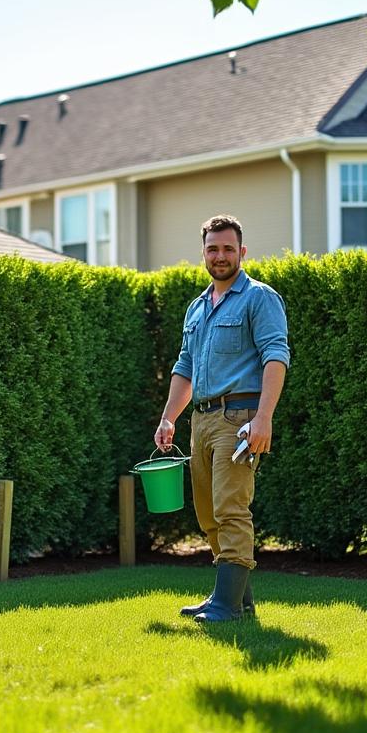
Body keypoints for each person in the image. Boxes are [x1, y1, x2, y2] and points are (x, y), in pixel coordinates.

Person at [154, 214, 289, 622]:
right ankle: (237, 601)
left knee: (231, 508)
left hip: (241, 418)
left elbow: (275, 356)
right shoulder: (196, 308)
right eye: (213, 249)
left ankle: (226, 605)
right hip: (203, 421)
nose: (221, 256)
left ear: (242, 252)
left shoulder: (259, 298)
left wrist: (263, 418)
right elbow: (185, 367)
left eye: (229, 248)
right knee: (208, 513)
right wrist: (168, 418)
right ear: (204, 253)